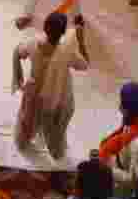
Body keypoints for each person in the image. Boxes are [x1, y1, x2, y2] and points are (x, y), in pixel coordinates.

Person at [13, 11, 88, 159]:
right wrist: (80, 40)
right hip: (57, 96)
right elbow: (84, 64)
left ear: (44, 27)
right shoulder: (67, 52)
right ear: (63, 33)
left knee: (28, 119)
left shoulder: (33, 43)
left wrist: (19, 76)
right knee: (55, 127)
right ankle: (56, 150)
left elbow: (18, 52)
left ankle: (23, 142)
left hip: (34, 92)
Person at [99, 83, 138, 195]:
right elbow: (125, 131)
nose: (119, 108)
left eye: (123, 107)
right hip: (122, 160)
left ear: (132, 112)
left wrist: (107, 170)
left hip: (123, 186)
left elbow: (134, 181)